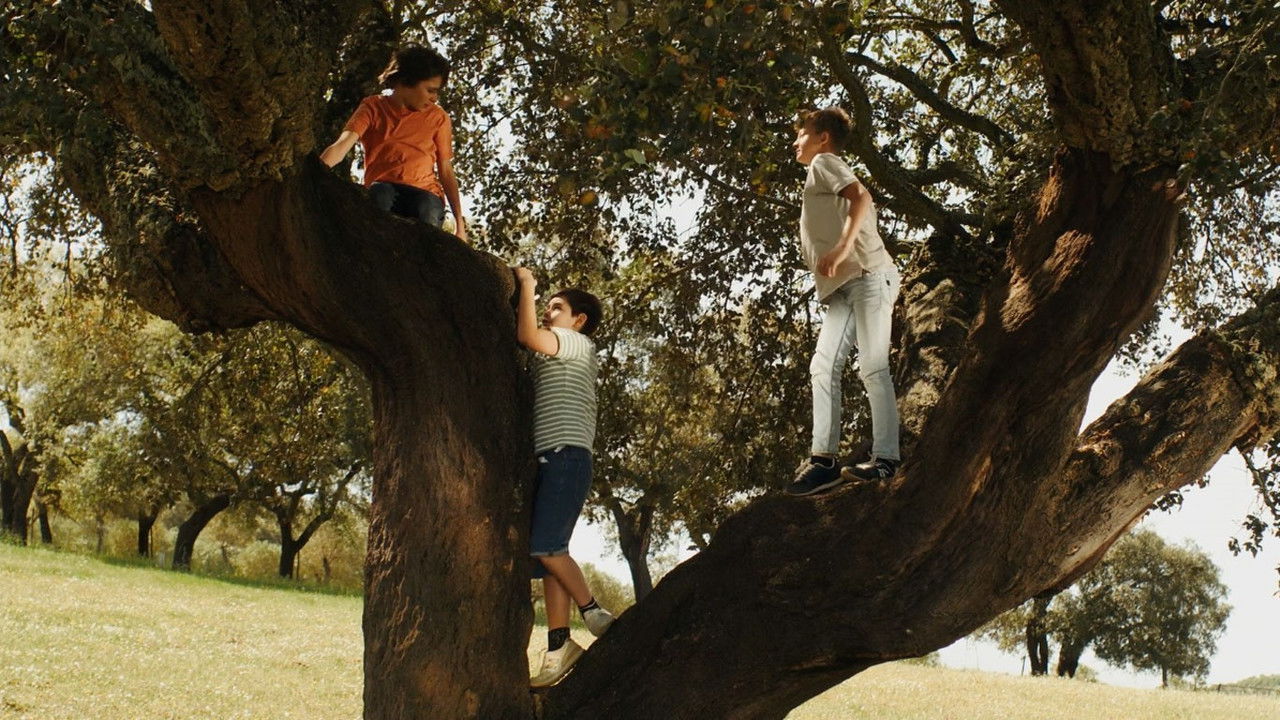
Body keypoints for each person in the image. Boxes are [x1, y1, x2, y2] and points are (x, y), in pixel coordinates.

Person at [785, 107, 902, 497]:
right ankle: (824, 461)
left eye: (801, 133)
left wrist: (840, 249)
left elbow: (861, 197)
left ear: (822, 138)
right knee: (822, 366)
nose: (795, 141)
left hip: (869, 275)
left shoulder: (824, 162)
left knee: (872, 366)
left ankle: (886, 460)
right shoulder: (817, 173)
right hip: (846, 289)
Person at [514, 267, 615, 687]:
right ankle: (559, 646)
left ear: (579, 321)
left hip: (566, 457)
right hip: (553, 459)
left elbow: (527, 337)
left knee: (546, 546)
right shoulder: (556, 354)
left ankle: (594, 611)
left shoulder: (575, 343)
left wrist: (527, 286)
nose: (547, 311)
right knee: (549, 553)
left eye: (557, 307)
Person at [319, 45, 466, 241]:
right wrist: (315, 171)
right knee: (380, 194)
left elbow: (446, 170)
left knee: (426, 208)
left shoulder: (439, 118)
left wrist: (459, 224)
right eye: (430, 90)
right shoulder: (372, 107)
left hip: (426, 193)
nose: (434, 98)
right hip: (384, 188)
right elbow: (341, 146)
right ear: (406, 81)